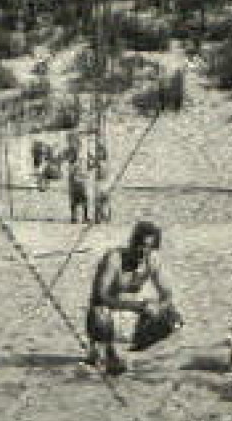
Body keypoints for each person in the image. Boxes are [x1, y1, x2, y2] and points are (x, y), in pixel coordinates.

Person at [84, 221, 169, 375]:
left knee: (171, 317)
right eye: (141, 246)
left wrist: (158, 306)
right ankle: (105, 353)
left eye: (150, 248)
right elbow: (99, 296)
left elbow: (167, 295)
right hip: (110, 314)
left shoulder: (152, 261)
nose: (144, 251)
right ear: (132, 243)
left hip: (132, 318)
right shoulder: (114, 259)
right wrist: (137, 306)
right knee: (99, 314)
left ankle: (136, 355)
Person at [67, 136, 91, 224]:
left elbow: (86, 165)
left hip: (80, 179)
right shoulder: (72, 154)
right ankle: (74, 217)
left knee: (83, 198)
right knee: (75, 199)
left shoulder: (81, 155)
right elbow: (71, 167)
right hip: (75, 179)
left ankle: (84, 217)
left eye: (77, 144)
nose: (76, 146)